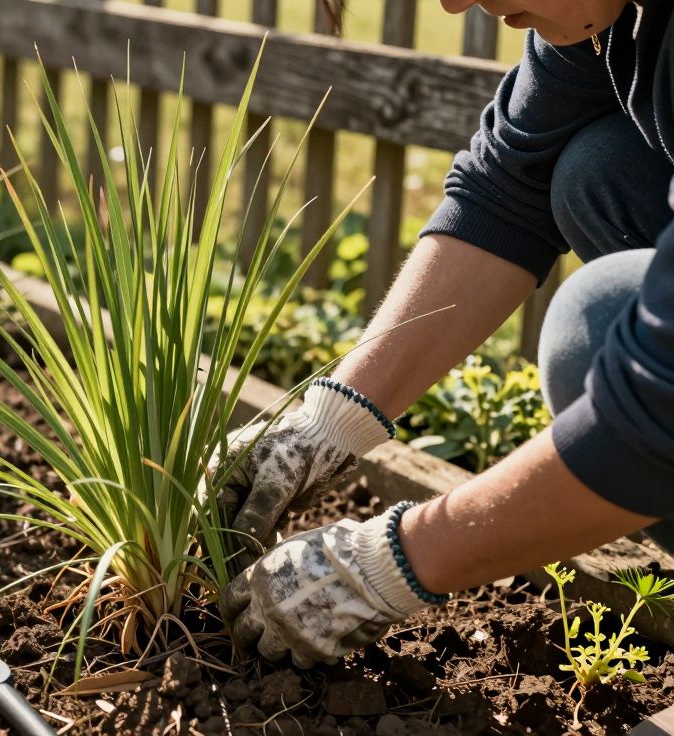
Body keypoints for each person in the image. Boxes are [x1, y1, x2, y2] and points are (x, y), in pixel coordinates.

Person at [218, 0, 674, 669]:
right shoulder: (603, 14)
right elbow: (505, 192)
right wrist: (327, 424)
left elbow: (660, 393)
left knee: (595, 328)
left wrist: (394, 563)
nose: (455, 3)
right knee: (594, 170)